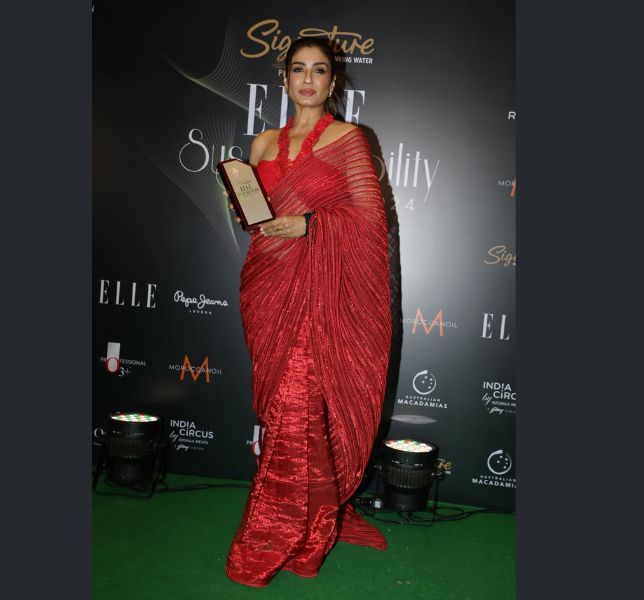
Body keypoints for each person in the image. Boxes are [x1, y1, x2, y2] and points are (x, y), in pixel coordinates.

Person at [225, 36, 392, 588]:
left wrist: (311, 224)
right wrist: (246, 208)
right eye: (298, 69)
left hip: (320, 295)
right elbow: (256, 219)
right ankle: (317, 514)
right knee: (285, 413)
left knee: (297, 410)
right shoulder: (261, 142)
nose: (308, 80)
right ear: (285, 78)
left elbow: (370, 221)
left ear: (333, 82)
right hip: (268, 287)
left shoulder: (349, 140)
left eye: (319, 71)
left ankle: (284, 535)